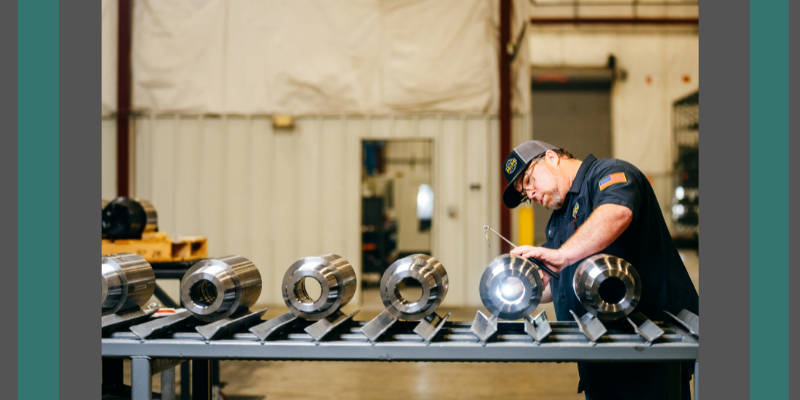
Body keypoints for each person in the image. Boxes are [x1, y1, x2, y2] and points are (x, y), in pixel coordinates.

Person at [501, 140, 699, 400]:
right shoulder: (558, 220)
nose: (532, 194)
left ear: (551, 157)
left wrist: (560, 255)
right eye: (526, 194)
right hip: (597, 358)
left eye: (529, 180)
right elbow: (556, 279)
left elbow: (618, 213)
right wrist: (521, 285)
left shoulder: (610, 174)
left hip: (648, 353)